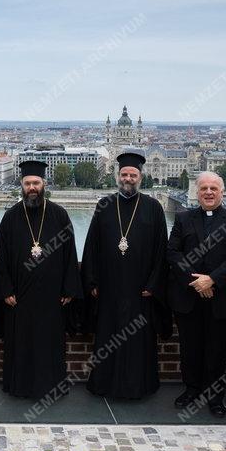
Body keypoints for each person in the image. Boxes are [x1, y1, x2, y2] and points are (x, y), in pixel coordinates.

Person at [81, 151, 169, 399]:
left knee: (138, 339)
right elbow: (91, 246)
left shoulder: (153, 207)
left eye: (132, 174)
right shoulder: (104, 205)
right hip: (109, 287)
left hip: (141, 289)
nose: (128, 178)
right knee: (108, 336)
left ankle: (138, 386)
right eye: (124, 174)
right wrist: (92, 280)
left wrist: (154, 283)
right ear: (117, 176)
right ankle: (104, 384)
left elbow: (162, 249)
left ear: (140, 177)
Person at [0, 161, 79, 399]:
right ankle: (19, 386)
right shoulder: (10, 217)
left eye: (36, 183)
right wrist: (5, 289)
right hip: (19, 296)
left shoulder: (59, 214)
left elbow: (71, 254)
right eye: (28, 183)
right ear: (21, 185)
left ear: (44, 184)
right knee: (21, 342)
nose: (32, 187)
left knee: (49, 342)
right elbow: (0, 256)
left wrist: (69, 288)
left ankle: (51, 386)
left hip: (52, 296)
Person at [166, 171, 226, 417]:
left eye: (214, 188)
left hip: (221, 297)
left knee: (217, 350)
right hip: (189, 297)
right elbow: (173, 253)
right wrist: (197, 281)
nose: (209, 192)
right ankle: (191, 389)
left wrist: (212, 280)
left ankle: (215, 397)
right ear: (197, 192)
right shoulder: (183, 218)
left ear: (222, 192)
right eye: (204, 189)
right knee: (189, 348)